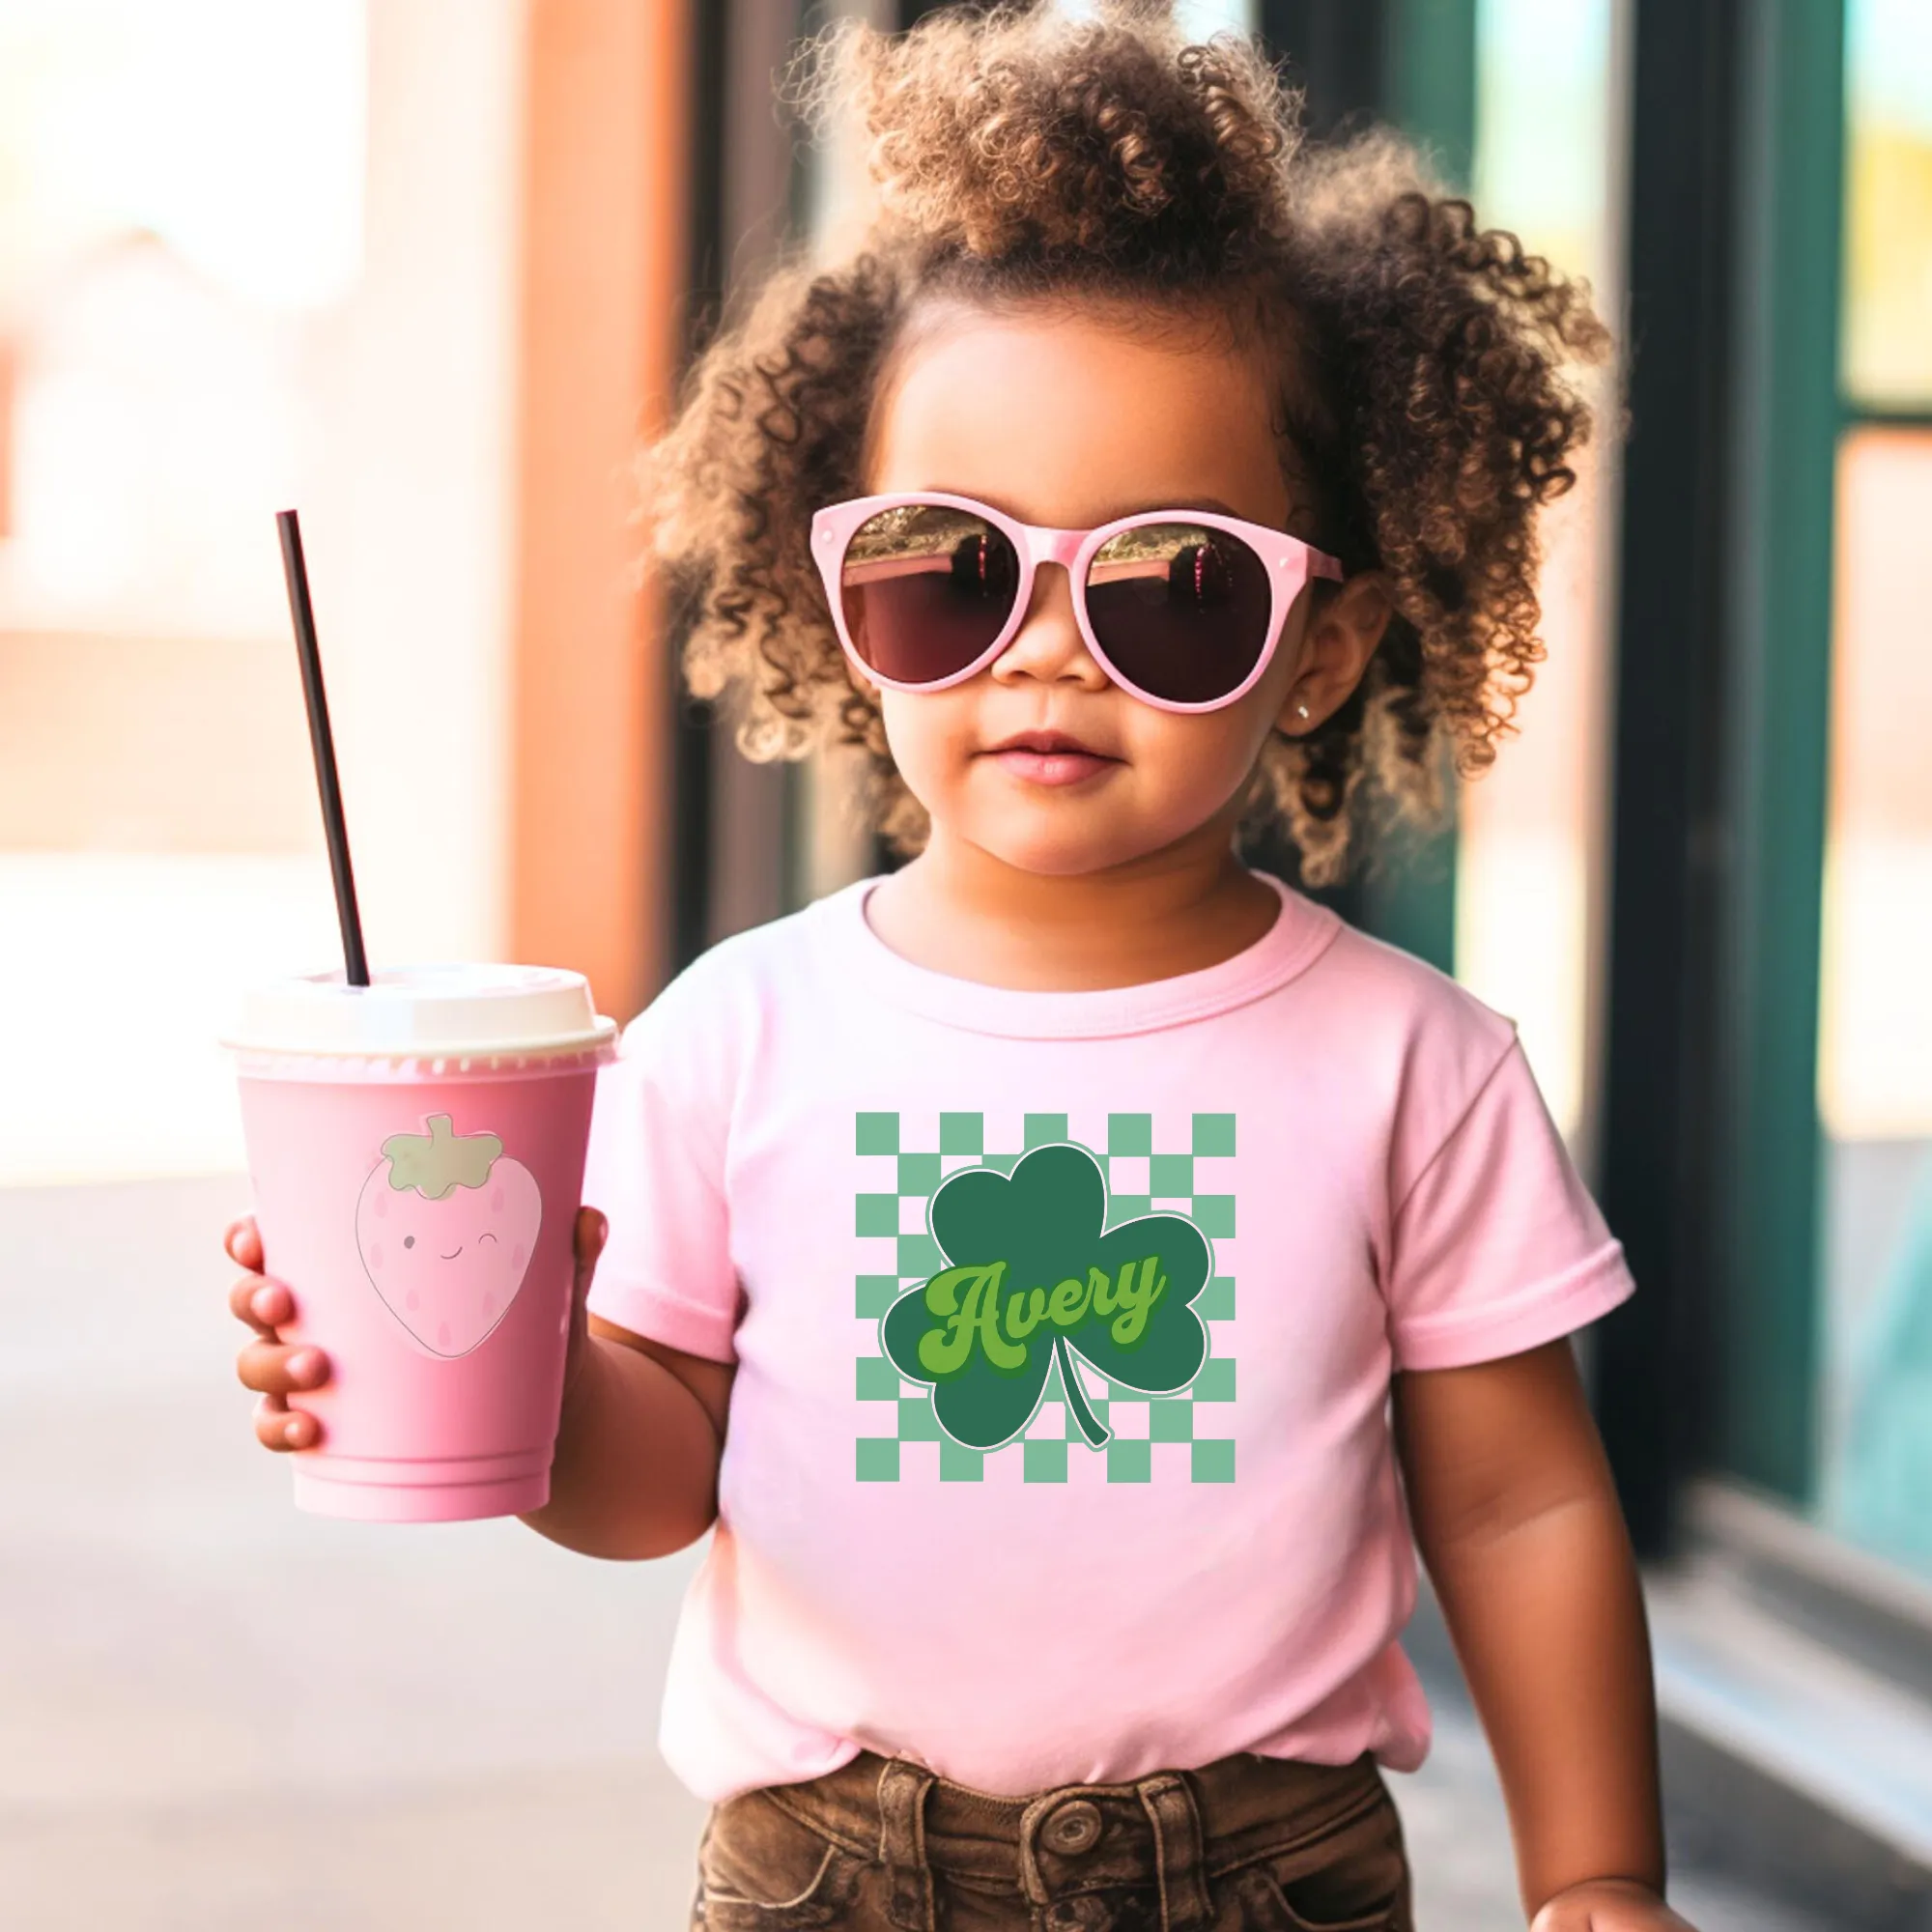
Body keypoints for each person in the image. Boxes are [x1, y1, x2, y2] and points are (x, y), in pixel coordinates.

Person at [228, 8, 1696, 1927]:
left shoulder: (1411, 1062)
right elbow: (651, 1474)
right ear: (846, 614)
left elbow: (1517, 1497)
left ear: (1320, 646)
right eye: (952, 568)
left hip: (1265, 1875)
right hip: (833, 1871)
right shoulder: (736, 1036)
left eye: (1171, 581)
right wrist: (497, 1363)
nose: (1044, 649)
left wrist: (1596, 1870)